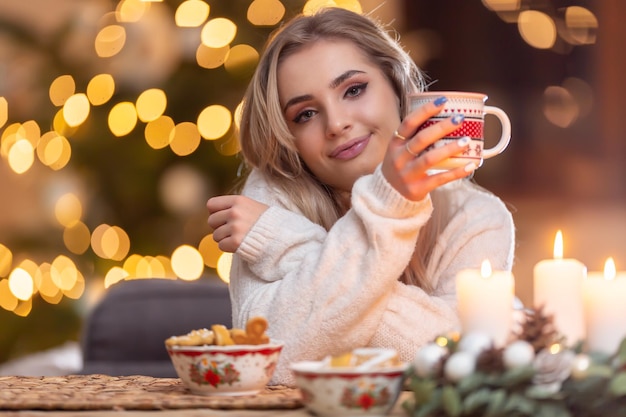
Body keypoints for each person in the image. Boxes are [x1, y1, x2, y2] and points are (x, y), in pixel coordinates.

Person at [207, 7, 515, 386]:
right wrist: (388, 207)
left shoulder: (474, 216)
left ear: (396, 84)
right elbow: (269, 359)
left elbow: (463, 363)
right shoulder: (272, 198)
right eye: (305, 114)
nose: (336, 124)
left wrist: (284, 242)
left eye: (353, 90)